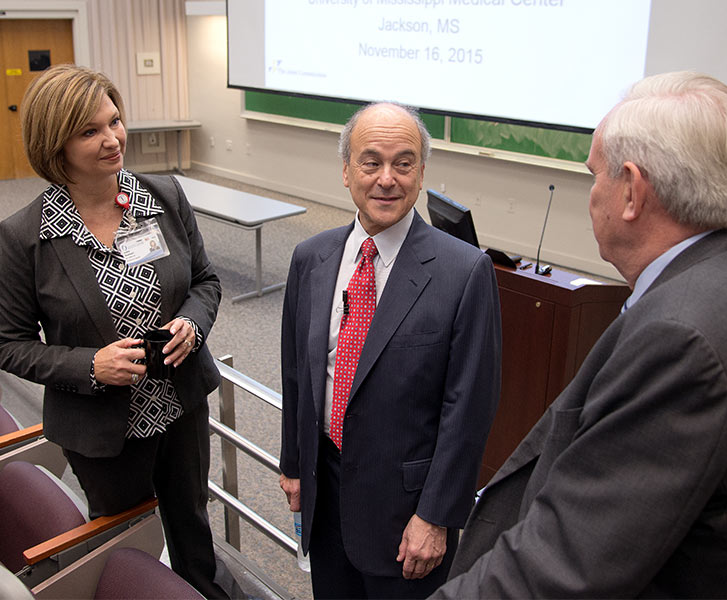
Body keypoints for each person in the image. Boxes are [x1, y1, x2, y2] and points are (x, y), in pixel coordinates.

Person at [428, 70, 727, 598]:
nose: (591, 195)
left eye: (595, 175)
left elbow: (562, 568)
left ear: (631, 191)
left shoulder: (679, 341)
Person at [0, 64, 230, 599]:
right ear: (55, 145)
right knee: (127, 549)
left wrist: (192, 323)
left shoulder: (164, 197)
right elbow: (9, 344)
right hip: (102, 430)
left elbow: (205, 281)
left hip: (181, 406)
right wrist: (89, 365)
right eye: (90, 131)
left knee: (194, 533)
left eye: (115, 121)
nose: (113, 140)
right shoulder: (22, 238)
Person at [279, 102, 502, 599]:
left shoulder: (463, 272)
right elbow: (298, 375)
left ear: (421, 173)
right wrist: (294, 464)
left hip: (406, 518)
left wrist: (436, 516)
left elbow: (468, 409)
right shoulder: (310, 258)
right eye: (370, 161)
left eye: (403, 163)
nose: (387, 179)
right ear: (345, 170)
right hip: (325, 496)